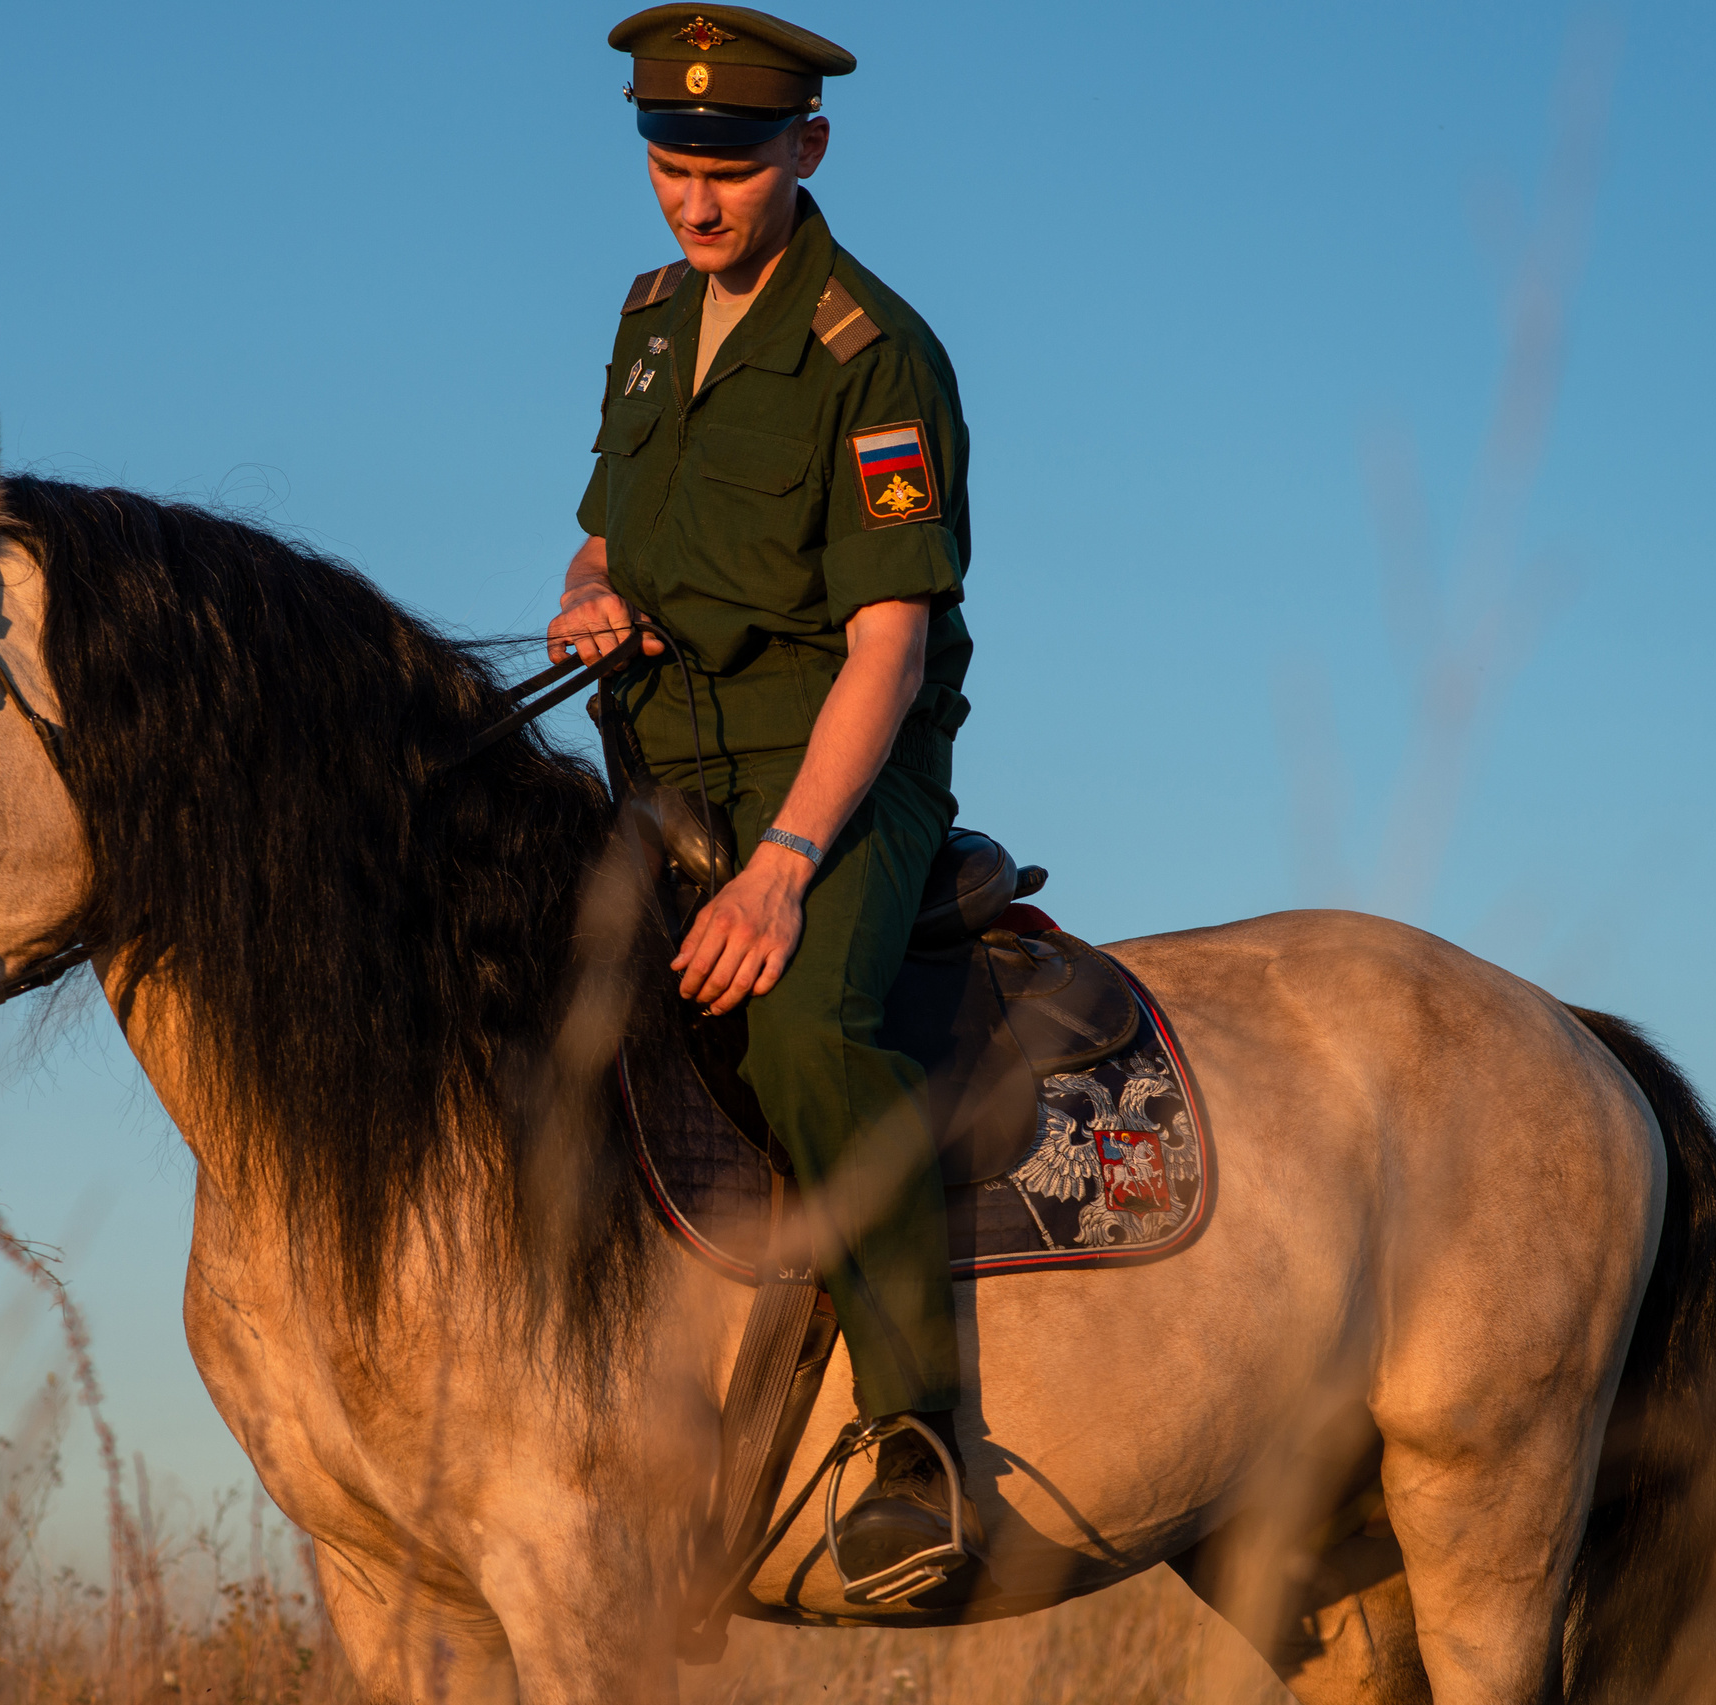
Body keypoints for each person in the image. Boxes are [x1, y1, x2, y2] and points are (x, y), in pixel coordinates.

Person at [545, 4, 981, 1592]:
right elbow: (604, 532)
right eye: (671, 165)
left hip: (835, 772)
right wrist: (589, 593)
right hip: (656, 764)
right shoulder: (652, 318)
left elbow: (890, 643)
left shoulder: (877, 353)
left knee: (805, 1033)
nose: (696, 201)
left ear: (805, 147)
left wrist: (788, 865)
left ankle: (919, 1441)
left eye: (729, 169)